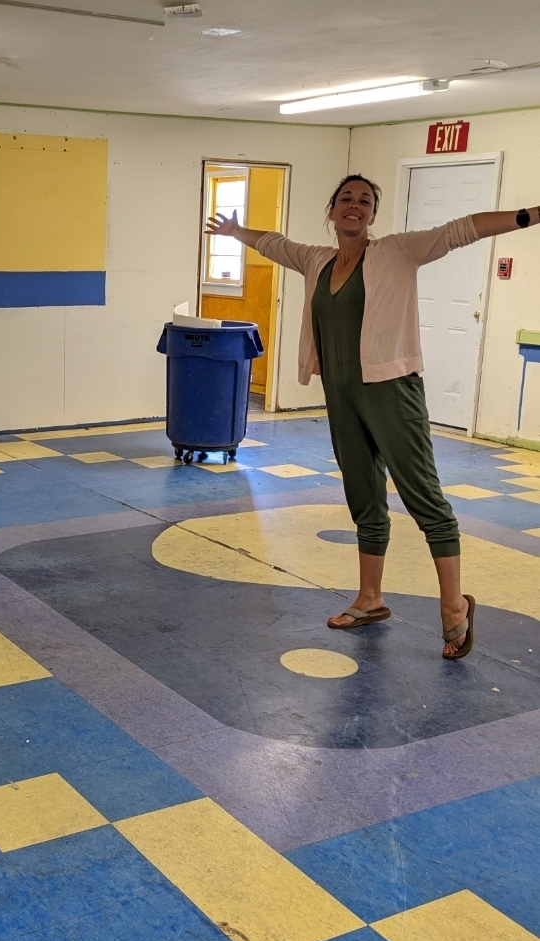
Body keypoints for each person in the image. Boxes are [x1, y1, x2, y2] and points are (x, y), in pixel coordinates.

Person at [206, 174, 539, 659]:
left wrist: (530, 215)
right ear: (332, 209)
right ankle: (370, 597)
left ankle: (453, 606)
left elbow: (462, 228)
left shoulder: (397, 252)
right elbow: (276, 244)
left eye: (365, 201)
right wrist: (239, 233)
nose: (355, 207)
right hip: (341, 394)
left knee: (422, 494)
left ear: (373, 214)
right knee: (362, 492)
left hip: (392, 390)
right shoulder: (317, 260)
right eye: (346, 199)